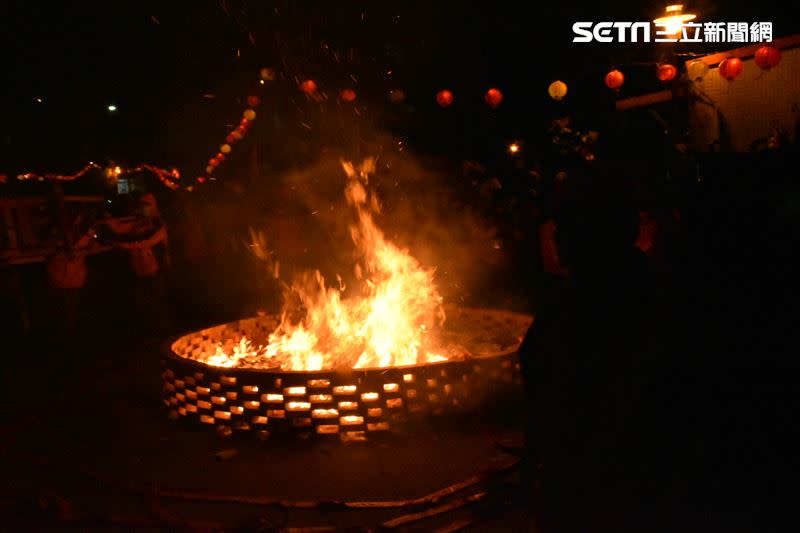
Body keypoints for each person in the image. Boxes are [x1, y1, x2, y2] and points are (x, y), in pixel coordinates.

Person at [518, 166, 672, 532]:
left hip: (594, 486)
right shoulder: (654, 290)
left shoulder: (579, 307)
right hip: (637, 482)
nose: (555, 239)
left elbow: (548, 392)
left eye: (564, 227)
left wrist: (536, 463)